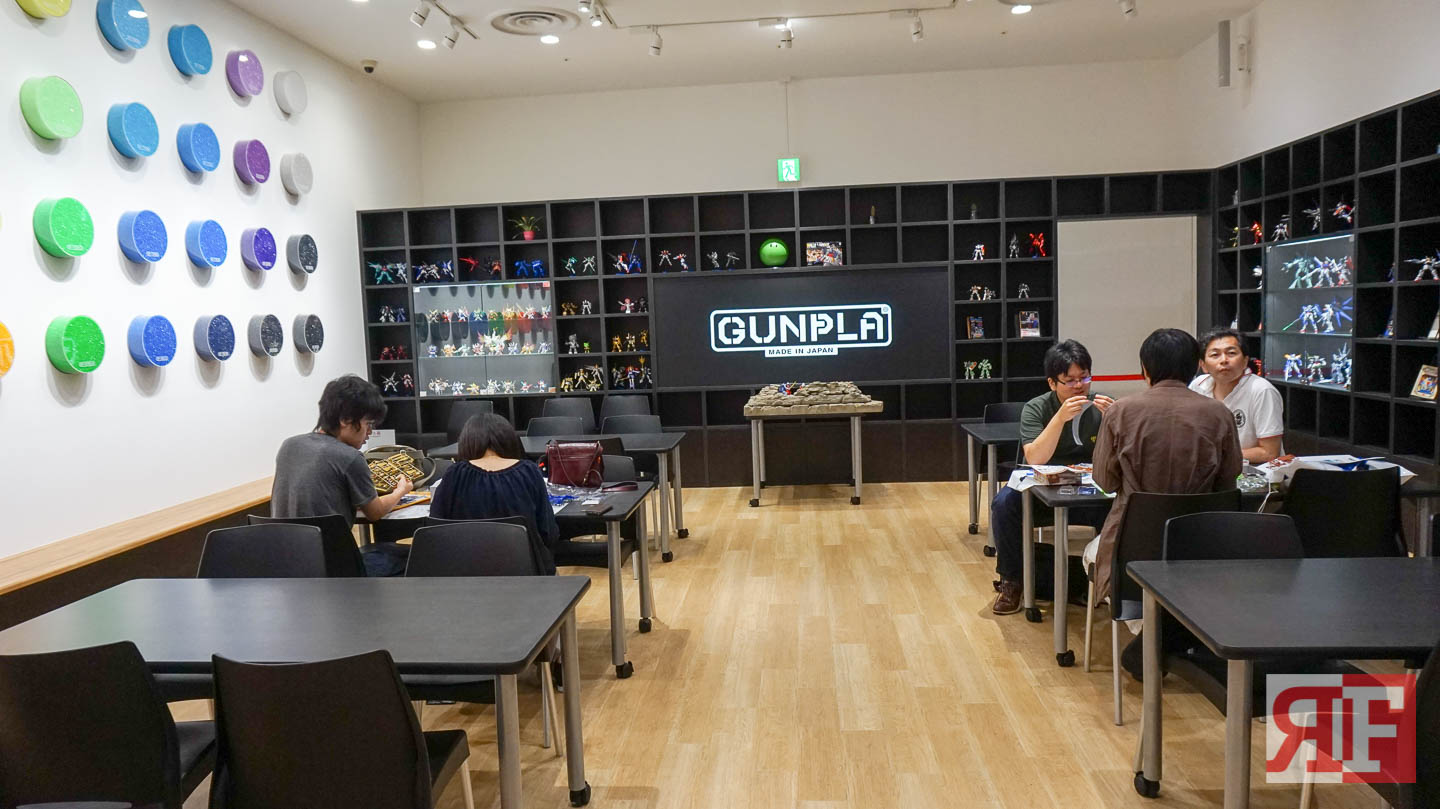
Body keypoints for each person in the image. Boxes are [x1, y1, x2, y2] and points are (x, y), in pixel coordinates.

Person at [1088, 328, 1244, 605]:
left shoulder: (1120, 412)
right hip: (1201, 546)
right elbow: (1228, 481)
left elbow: (1105, 481)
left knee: (1090, 552)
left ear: (1145, 369)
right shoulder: (1220, 414)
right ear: (1195, 368)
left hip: (1132, 547)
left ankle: (1143, 627)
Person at [989, 340, 1116, 615]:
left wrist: (1116, 422)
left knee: (1121, 507)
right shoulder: (1036, 408)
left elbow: (1121, 458)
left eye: (1084, 378)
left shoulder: (1103, 406)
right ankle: (1012, 581)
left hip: (1089, 491)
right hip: (1041, 491)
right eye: (1069, 380)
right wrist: (1059, 419)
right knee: (1004, 504)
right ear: (1052, 383)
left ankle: (1103, 581)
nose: (1079, 386)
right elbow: (1035, 457)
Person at [271, 375, 413, 576]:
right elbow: (375, 513)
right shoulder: (350, 457)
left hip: (287, 566)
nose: (370, 432)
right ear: (345, 420)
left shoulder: (289, 446)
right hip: (337, 569)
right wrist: (401, 491)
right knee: (415, 555)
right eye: (368, 424)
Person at [429, 413, 559, 574]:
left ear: (466, 442)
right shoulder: (529, 471)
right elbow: (548, 532)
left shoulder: (454, 474)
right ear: (510, 440)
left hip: (464, 574)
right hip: (525, 572)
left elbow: (435, 530)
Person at [1189, 328, 1283, 463]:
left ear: (1245, 361)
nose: (1224, 360)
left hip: (1255, 470)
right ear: (1203, 365)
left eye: (1231, 353)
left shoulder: (1262, 390)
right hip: (1210, 468)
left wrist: (1214, 455)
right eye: (1215, 355)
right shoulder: (1197, 386)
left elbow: (1269, 453)